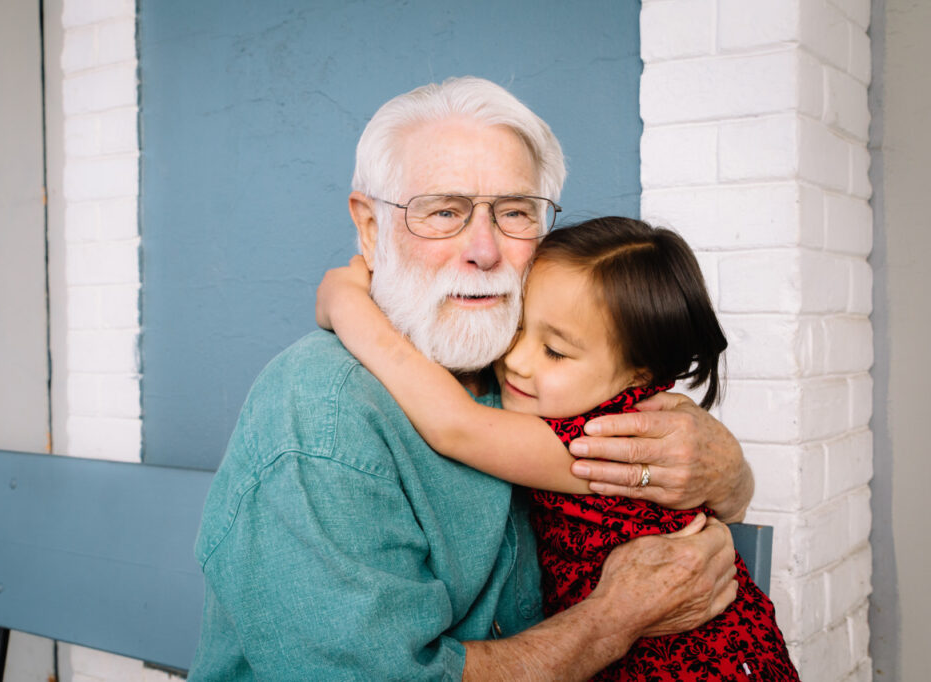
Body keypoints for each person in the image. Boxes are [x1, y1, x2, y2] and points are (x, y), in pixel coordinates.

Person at [189, 77, 753, 680]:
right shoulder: (321, 413)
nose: (484, 250)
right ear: (371, 229)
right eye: (444, 211)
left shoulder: (533, 373)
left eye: (514, 212)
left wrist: (730, 476)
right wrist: (616, 617)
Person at [316, 217, 799, 680]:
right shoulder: (597, 409)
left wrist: (345, 302)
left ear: (639, 375)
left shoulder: (603, 440)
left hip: (702, 663)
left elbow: (454, 425)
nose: (518, 361)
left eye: (555, 351)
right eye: (518, 326)